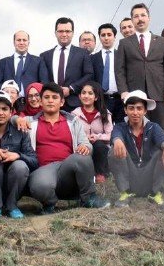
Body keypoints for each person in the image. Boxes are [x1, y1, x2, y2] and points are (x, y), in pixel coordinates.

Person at [26, 83, 109, 212]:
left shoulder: (73, 121)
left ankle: (89, 198)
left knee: (82, 157)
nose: (50, 100)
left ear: (62, 102)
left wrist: (85, 147)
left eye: (54, 97)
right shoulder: (30, 122)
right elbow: (8, 119)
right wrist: (15, 119)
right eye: (46, 97)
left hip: (67, 166)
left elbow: (86, 144)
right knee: (40, 186)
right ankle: (50, 203)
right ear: (41, 102)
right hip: (43, 169)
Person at [114, 3, 164, 134]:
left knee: (161, 131)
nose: (140, 19)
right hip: (135, 95)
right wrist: (124, 91)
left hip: (159, 94)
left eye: (143, 15)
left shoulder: (162, 42)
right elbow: (120, 70)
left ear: (149, 18)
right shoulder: (124, 43)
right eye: (136, 16)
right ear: (132, 20)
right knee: (138, 132)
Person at [109, 91, 164, 207]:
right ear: (125, 110)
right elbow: (116, 134)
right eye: (131, 108)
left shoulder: (153, 127)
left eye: (139, 108)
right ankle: (125, 193)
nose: (135, 112)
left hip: (148, 177)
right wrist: (117, 140)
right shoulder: (120, 127)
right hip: (130, 177)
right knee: (113, 151)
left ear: (145, 111)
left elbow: (163, 139)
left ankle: (156, 193)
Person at [0, 90, 38, 219]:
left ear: (11, 111)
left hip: (14, 181)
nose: (0, 113)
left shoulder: (21, 132)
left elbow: (34, 161)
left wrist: (18, 155)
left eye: (4, 109)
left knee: (20, 166)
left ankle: (12, 205)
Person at [40, 17, 93, 108]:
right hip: (51, 103)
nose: (64, 34)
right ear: (55, 33)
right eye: (60, 31)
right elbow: (43, 78)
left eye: (68, 31)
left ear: (72, 33)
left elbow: (89, 74)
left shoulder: (83, 53)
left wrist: (71, 89)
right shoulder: (45, 56)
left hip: (75, 103)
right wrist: (52, 91)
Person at [70, 81, 113, 183]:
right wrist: (85, 139)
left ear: (96, 97)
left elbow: (110, 135)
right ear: (79, 96)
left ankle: (100, 174)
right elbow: (72, 135)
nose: (86, 96)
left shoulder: (104, 114)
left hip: (100, 149)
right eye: (83, 93)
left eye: (90, 93)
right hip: (82, 147)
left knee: (98, 145)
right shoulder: (74, 115)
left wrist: (97, 137)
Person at [0, 30, 47, 97]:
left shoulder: (39, 61)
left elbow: (44, 83)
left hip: (31, 101)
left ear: (28, 42)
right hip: (9, 102)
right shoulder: (2, 63)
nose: (21, 43)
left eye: (24, 40)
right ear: (14, 42)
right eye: (18, 40)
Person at [91, 23, 125, 123]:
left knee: (121, 129)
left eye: (109, 35)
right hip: (101, 100)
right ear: (100, 37)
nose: (106, 38)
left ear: (115, 37)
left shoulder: (122, 56)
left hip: (120, 99)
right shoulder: (93, 58)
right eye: (103, 35)